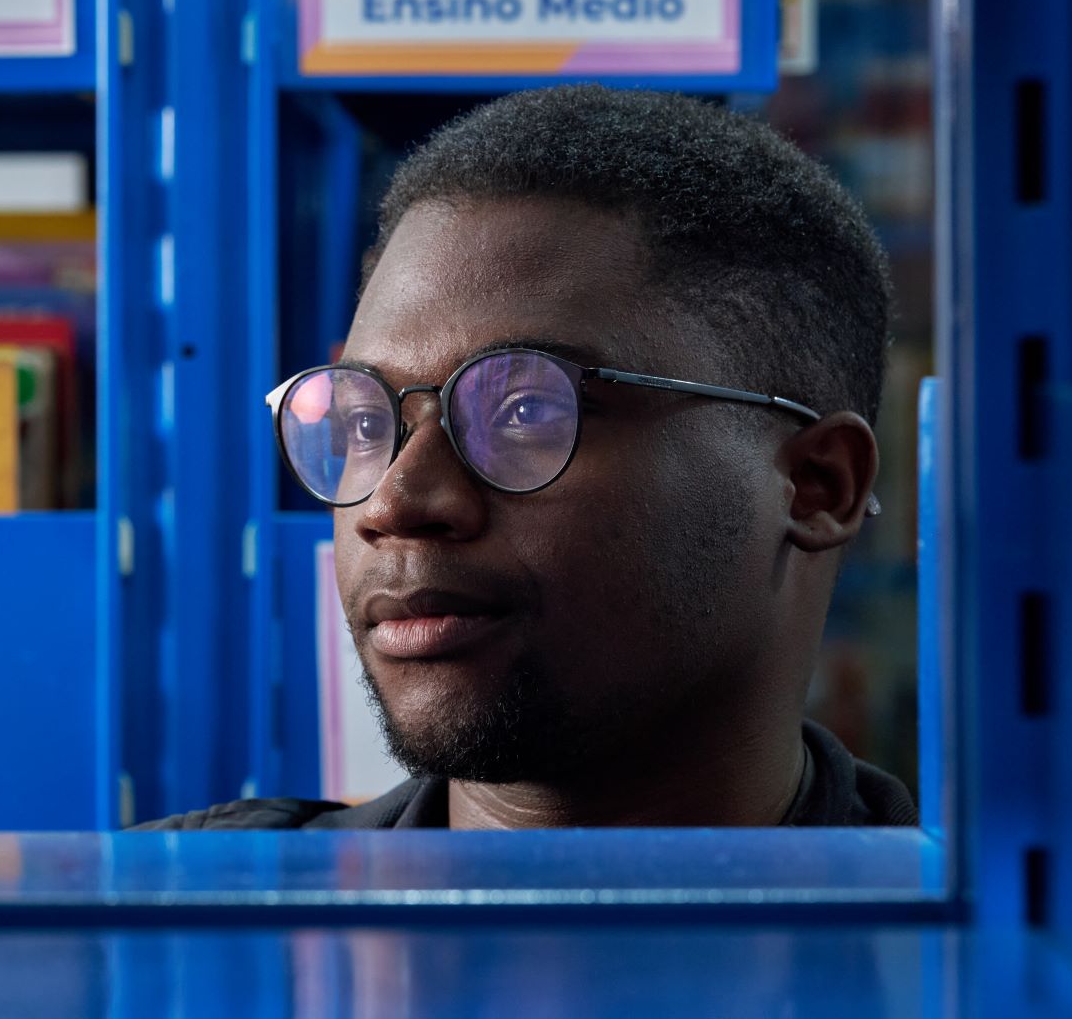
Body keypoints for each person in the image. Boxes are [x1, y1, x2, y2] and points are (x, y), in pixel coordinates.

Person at [136, 85, 917, 831]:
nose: (393, 504)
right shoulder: (181, 935)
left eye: (524, 410)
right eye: (367, 422)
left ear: (818, 486)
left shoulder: (971, 956)